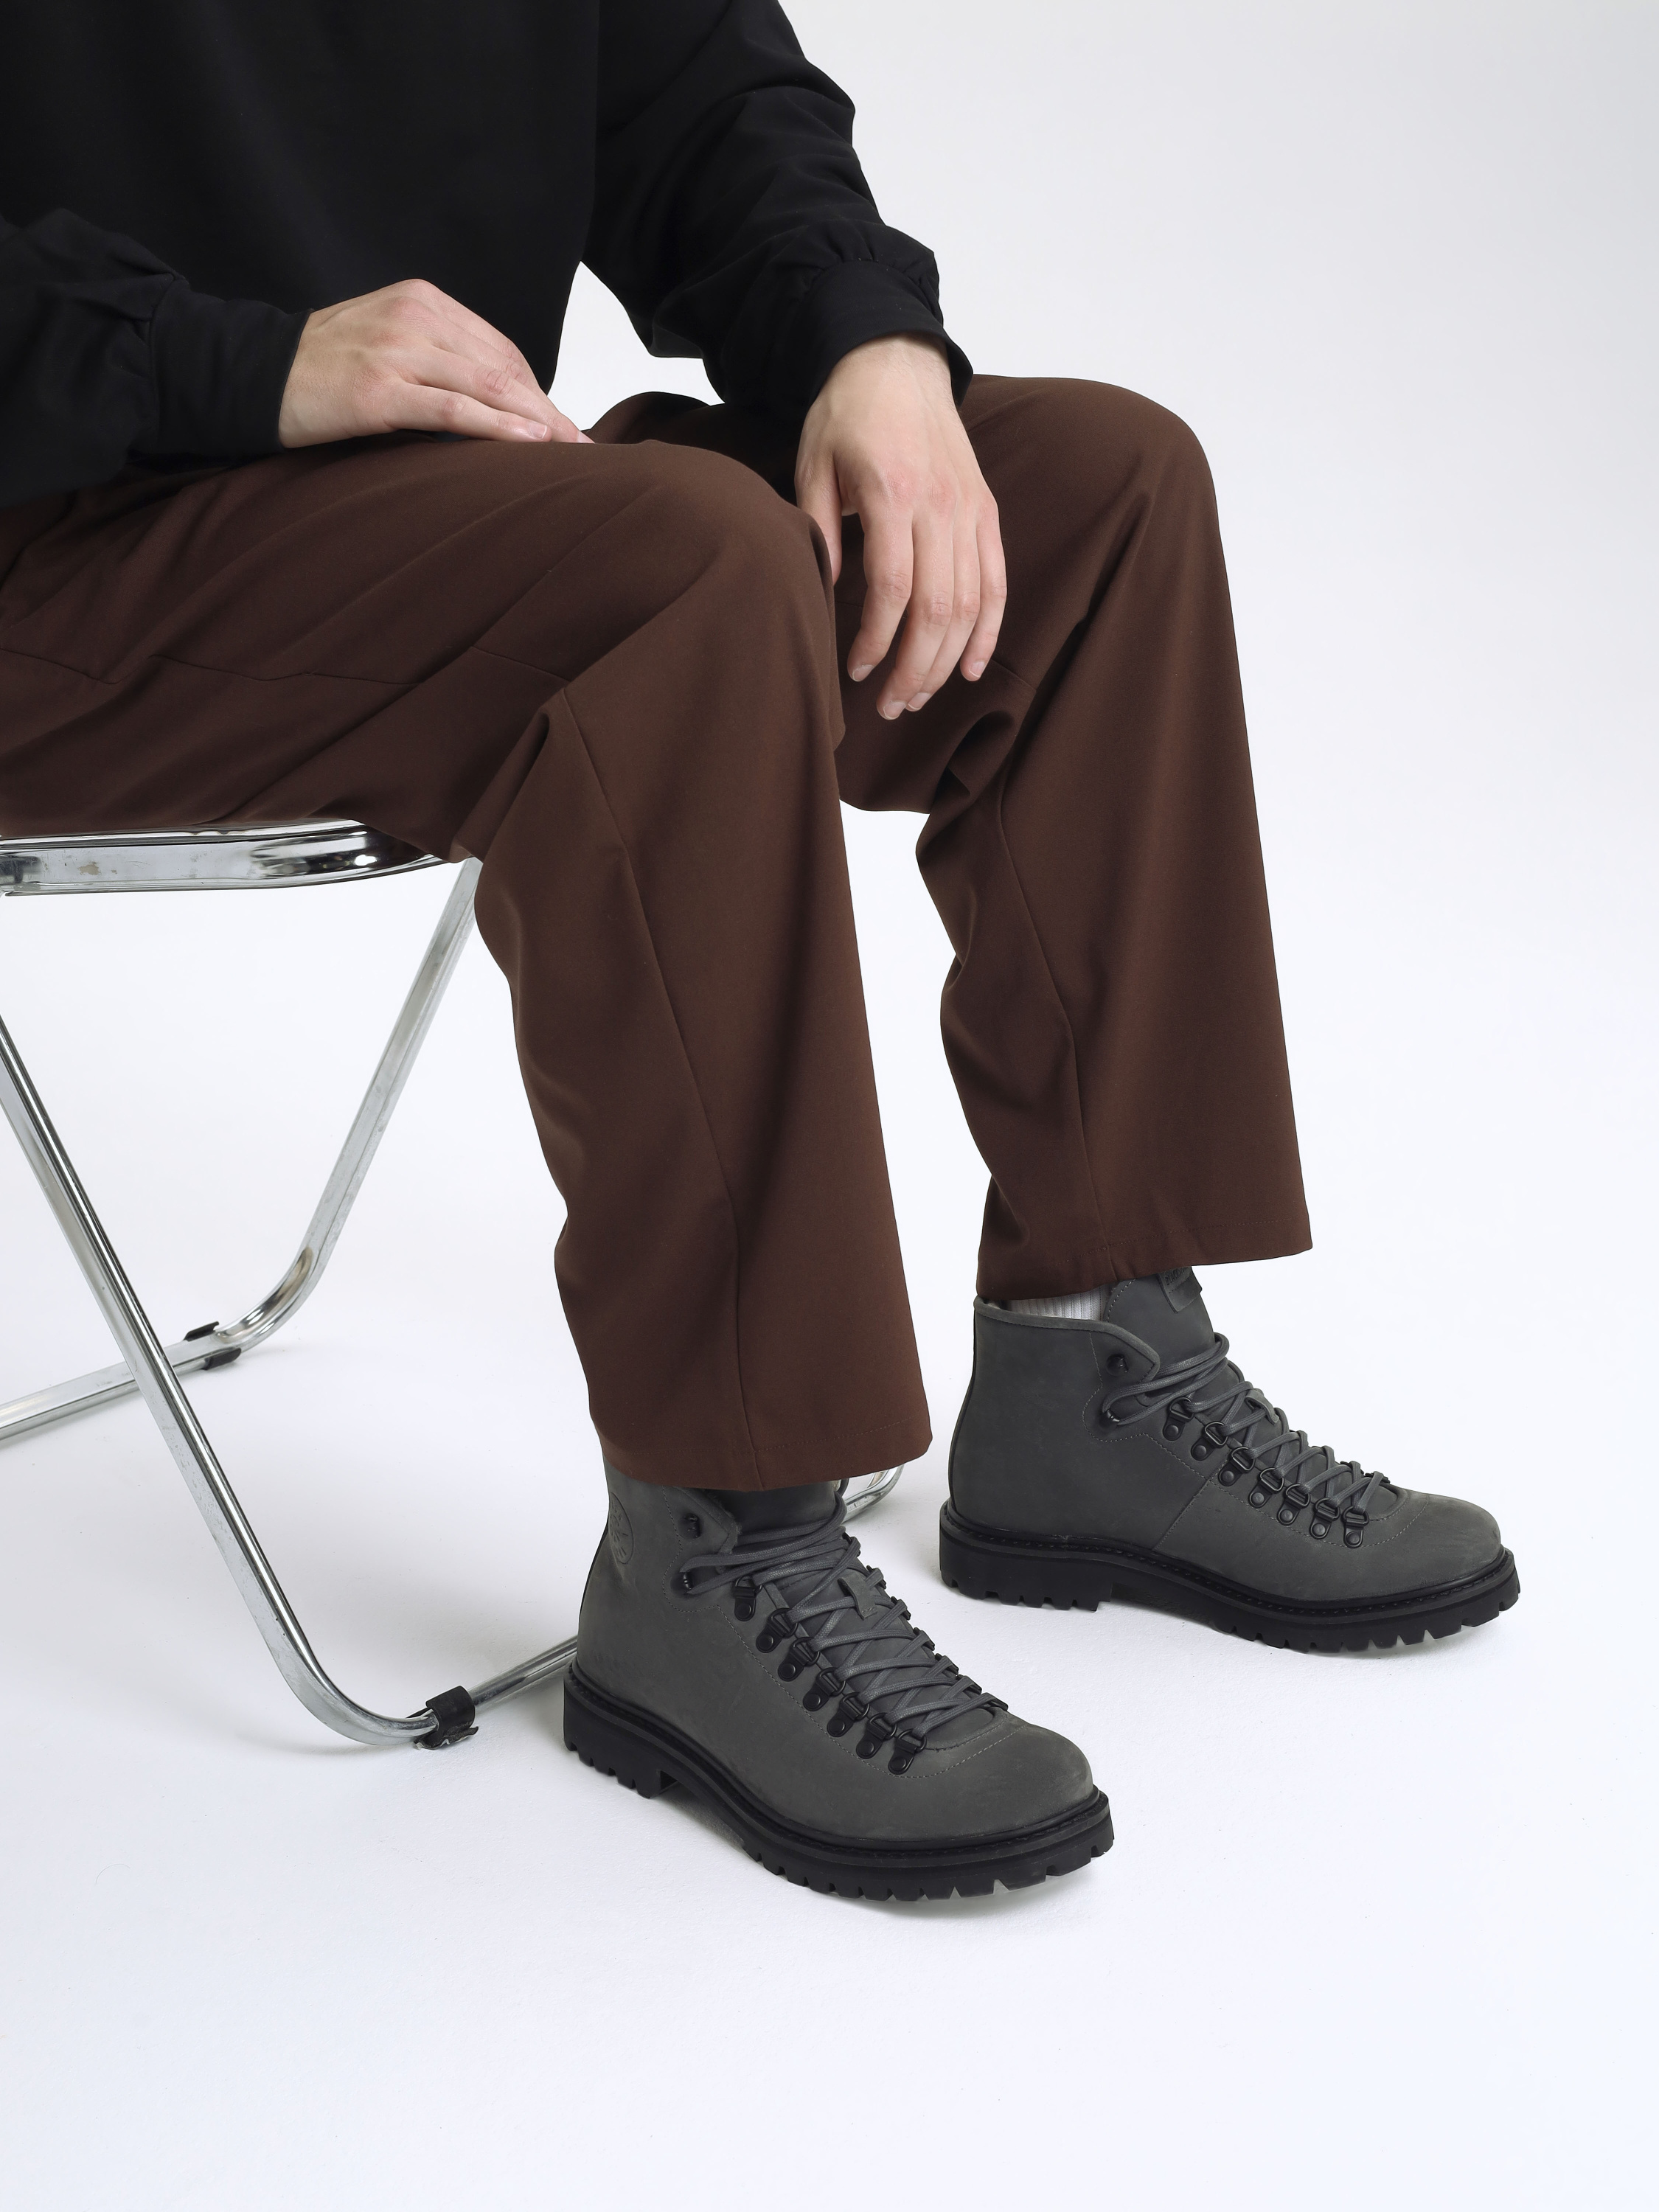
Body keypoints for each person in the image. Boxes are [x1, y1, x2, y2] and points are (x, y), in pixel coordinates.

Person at [0, 0, 1517, 1901]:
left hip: (434, 510)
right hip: (54, 542)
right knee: (678, 570)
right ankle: (719, 1547)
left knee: (1101, 492)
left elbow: (706, 100)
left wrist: (868, 345)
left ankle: (1098, 1377)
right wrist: (245, 361)